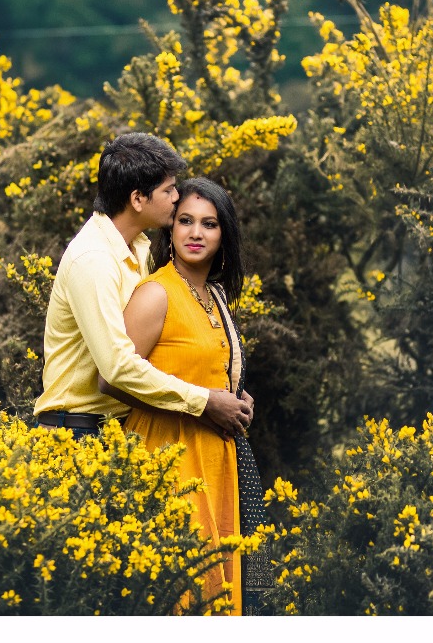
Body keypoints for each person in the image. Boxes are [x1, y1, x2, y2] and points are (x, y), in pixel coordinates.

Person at [99, 177, 266, 615]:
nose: (196, 233)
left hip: (217, 463)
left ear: (223, 234)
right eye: (185, 221)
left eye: (209, 224)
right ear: (169, 231)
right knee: (184, 593)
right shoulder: (156, 293)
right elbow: (112, 378)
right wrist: (205, 400)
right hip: (170, 459)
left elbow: (201, 366)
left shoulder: (215, 296)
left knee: (219, 591)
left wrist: (237, 396)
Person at [34, 133, 251, 439]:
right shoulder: (94, 259)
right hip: (77, 433)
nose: (177, 197)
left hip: (118, 430)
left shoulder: (139, 248)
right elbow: (117, 368)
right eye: (168, 190)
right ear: (137, 199)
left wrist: (229, 388)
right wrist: (204, 402)